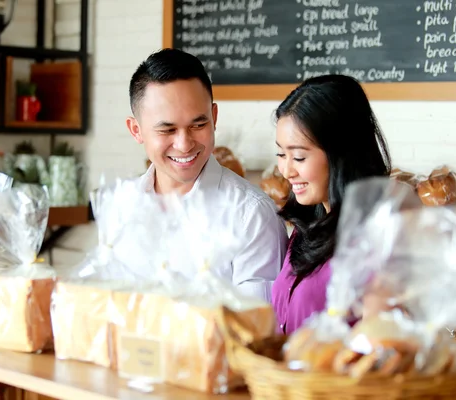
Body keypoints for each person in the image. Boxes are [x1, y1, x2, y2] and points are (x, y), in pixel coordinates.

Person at [123, 48, 288, 301]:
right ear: (136, 130)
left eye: (198, 125)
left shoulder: (251, 215)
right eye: (167, 130)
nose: (184, 144)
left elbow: (256, 331)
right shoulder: (124, 207)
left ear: (214, 117)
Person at [271, 74, 392, 335]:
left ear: (342, 154)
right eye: (281, 154)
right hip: (281, 376)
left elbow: (381, 346)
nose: (286, 170)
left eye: (299, 157)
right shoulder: (308, 224)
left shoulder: (378, 238)